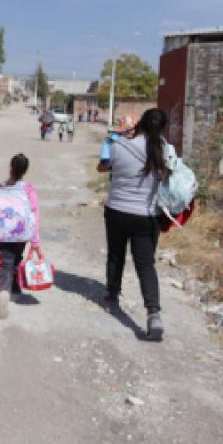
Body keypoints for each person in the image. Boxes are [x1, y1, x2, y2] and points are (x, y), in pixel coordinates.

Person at [97, 108, 171, 341]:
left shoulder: (119, 146)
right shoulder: (165, 151)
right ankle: (154, 314)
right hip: (147, 216)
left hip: (117, 211)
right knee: (146, 265)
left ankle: (112, 296)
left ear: (138, 125)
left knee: (115, 255)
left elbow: (106, 168)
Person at [0, 154, 40, 319]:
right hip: (21, 235)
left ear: (10, 168)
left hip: (3, 234)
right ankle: (14, 289)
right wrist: (35, 241)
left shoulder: (0, 188)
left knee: (5, 264)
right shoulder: (28, 189)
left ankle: (4, 292)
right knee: (17, 258)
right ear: (25, 171)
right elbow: (34, 215)